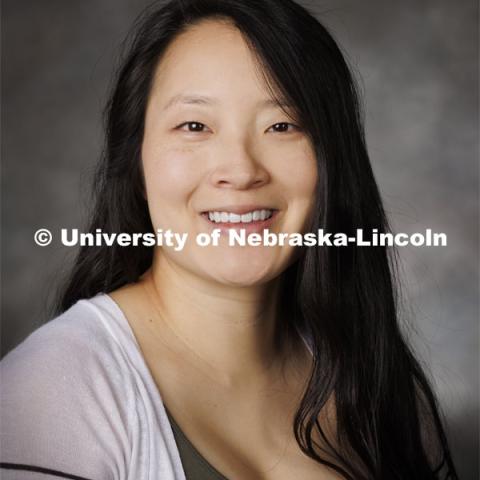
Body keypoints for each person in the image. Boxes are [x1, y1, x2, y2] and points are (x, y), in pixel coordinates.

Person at [0, 0, 459, 479]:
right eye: (194, 126)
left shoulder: (377, 384)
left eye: (282, 125)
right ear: (135, 160)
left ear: (331, 160)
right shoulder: (46, 392)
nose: (240, 171)